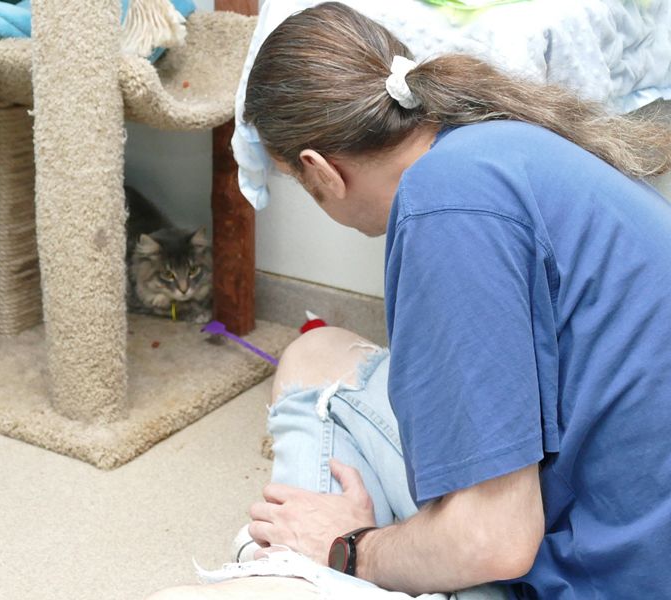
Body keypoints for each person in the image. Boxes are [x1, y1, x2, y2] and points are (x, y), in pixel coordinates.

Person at [148, 2, 671, 599]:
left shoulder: (444, 207)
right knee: (318, 353)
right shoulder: (497, 142)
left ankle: (293, 567)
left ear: (319, 172)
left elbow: (495, 539)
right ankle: (298, 555)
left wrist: (351, 548)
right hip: (624, 518)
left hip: (613, 578)